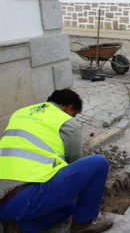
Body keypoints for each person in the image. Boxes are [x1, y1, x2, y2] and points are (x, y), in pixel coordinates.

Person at [0, 89, 113, 233]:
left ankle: (16, 227)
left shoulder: (19, 113)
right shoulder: (68, 123)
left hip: (3, 201)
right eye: (74, 115)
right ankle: (82, 225)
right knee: (99, 164)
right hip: (26, 200)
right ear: (69, 108)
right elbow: (74, 165)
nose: (73, 118)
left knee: (69, 206)